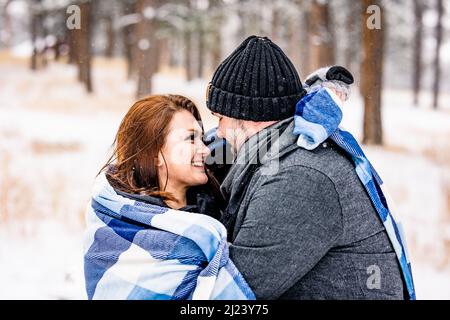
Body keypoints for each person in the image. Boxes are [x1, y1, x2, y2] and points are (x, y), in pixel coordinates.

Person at [206, 35, 413, 300]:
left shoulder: (300, 176)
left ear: (249, 117)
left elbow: (232, 292)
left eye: (221, 118)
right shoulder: (281, 148)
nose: (219, 132)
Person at [83, 94, 254, 300]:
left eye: (201, 138)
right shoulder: (122, 230)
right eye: (191, 139)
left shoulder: (213, 205)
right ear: (154, 154)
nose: (205, 150)